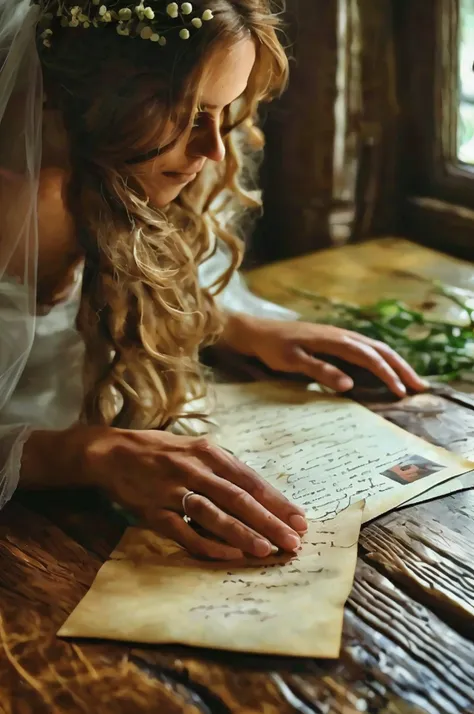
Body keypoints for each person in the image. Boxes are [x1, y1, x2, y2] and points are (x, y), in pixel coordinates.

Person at [0, 0, 426, 561]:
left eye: (224, 113)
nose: (214, 150)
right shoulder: (12, 201)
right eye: (186, 113)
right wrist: (92, 454)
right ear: (100, 96)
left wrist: (231, 326)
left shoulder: (144, 176)